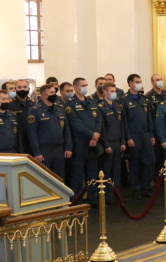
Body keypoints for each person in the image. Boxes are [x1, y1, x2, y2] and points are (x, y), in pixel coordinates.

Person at [66, 77, 102, 205]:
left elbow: (98, 119)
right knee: (78, 171)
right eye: (82, 85)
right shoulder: (70, 104)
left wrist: (96, 134)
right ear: (75, 87)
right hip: (79, 142)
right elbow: (76, 124)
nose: (85, 87)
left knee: (92, 171)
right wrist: (92, 135)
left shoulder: (91, 102)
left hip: (93, 142)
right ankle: (77, 198)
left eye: (86, 85)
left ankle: (92, 197)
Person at [27, 85, 73, 179]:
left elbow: (66, 130)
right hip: (44, 149)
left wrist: (68, 147)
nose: (54, 95)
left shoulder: (60, 108)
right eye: (51, 93)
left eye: (54, 92)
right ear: (44, 95)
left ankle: (59, 194)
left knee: (60, 178)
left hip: (59, 148)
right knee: (45, 178)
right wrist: (37, 152)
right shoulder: (35, 110)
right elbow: (32, 133)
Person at [122, 74, 156, 200]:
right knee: (134, 163)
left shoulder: (144, 99)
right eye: (137, 82)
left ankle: (145, 187)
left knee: (150, 161)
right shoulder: (124, 100)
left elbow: (149, 119)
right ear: (130, 83)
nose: (139, 84)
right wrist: (128, 137)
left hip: (145, 134)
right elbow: (124, 121)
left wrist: (151, 134)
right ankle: (136, 189)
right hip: (133, 135)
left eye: (140, 81)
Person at [98, 83, 126, 198]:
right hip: (108, 143)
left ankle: (116, 194)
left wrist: (123, 141)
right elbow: (102, 129)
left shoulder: (117, 106)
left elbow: (122, 125)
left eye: (115, 91)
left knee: (117, 170)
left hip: (118, 142)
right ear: (104, 92)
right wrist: (106, 144)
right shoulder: (101, 107)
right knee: (107, 170)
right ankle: (107, 195)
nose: (114, 93)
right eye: (111, 91)